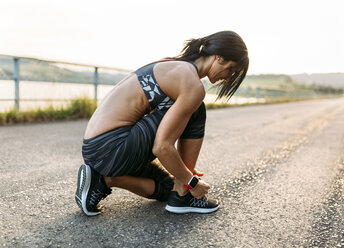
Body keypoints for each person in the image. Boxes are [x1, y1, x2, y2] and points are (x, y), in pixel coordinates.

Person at [75, 30, 249, 216]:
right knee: (197, 109)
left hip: (97, 148)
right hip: (112, 147)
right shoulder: (191, 83)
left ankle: (104, 179)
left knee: (168, 188)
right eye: (231, 69)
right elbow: (162, 147)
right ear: (219, 57)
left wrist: (181, 171)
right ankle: (184, 194)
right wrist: (191, 182)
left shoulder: (171, 64)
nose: (229, 77)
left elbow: (154, 121)